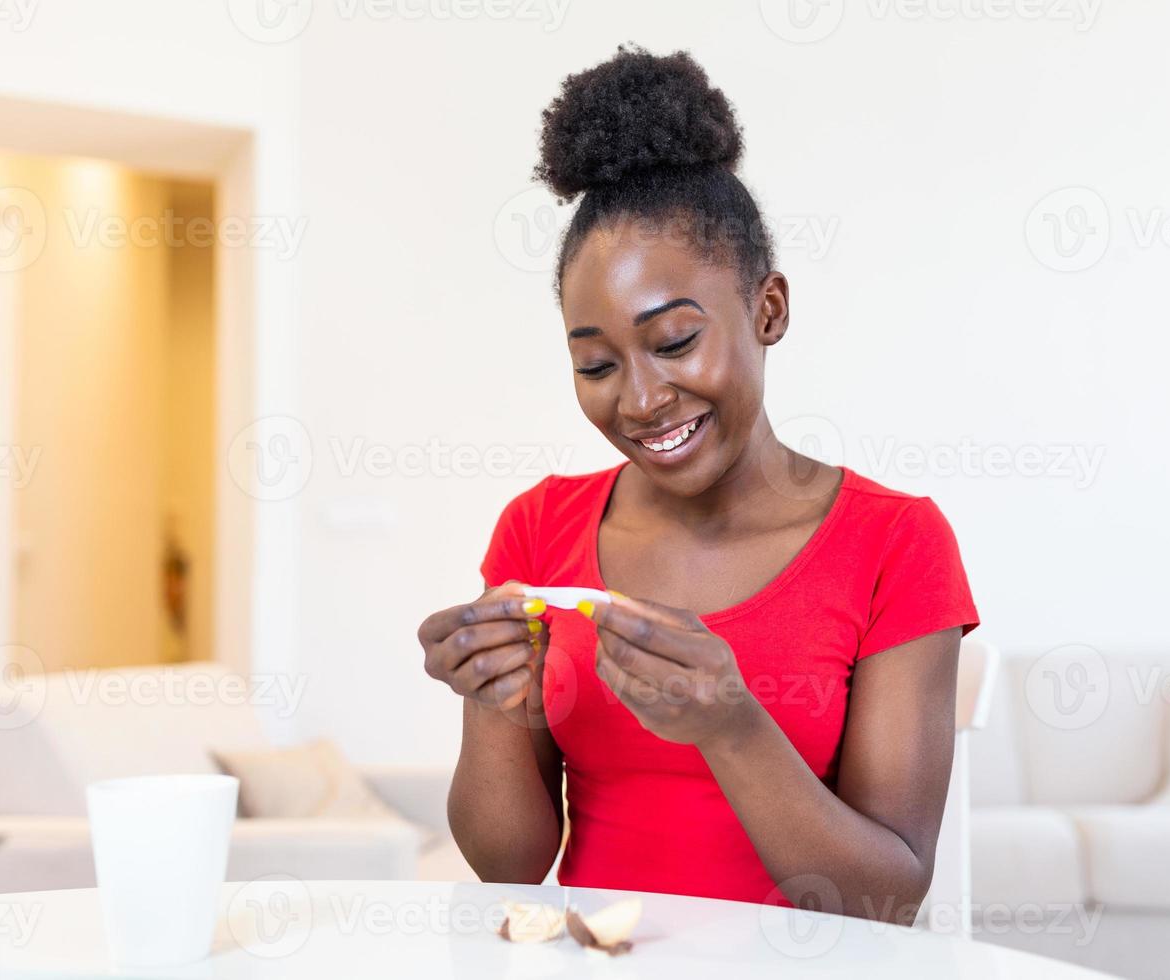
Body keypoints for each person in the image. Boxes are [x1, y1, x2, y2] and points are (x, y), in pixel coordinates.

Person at [416, 43, 979, 923]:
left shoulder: (895, 543)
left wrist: (730, 726)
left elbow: (887, 898)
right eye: (597, 363)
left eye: (675, 342)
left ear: (768, 310)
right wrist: (495, 706)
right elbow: (511, 868)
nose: (640, 400)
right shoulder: (537, 528)